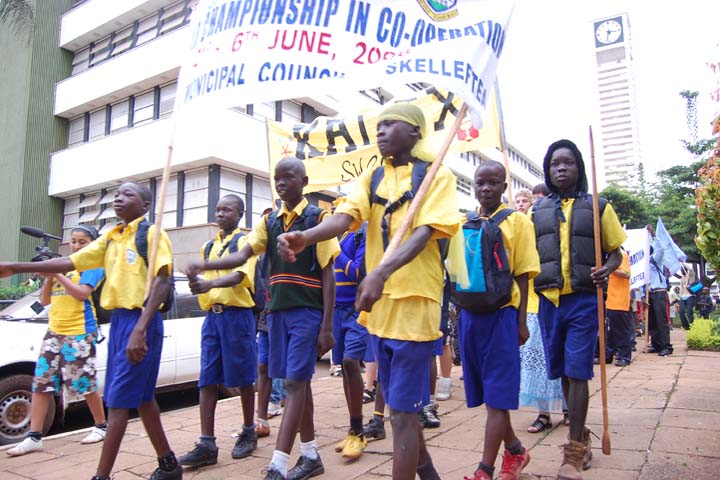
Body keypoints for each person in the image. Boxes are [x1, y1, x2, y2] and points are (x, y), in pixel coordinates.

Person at [277, 103, 460, 480]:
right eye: (378, 125)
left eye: (390, 124)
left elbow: (425, 231)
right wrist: (306, 237)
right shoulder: (372, 177)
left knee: (404, 415)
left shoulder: (436, 176)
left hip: (414, 303)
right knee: (398, 406)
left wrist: (379, 272)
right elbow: (346, 217)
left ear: (414, 132)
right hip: (379, 309)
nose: (380, 131)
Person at [0, 182, 180, 480]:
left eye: (129, 194)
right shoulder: (111, 237)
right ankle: (169, 465)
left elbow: (163, 281)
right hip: (121, 321)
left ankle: (101, 475)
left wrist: (141, 329)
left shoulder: (152, 233)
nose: (120, 198)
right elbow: (72, 261)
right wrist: (15, 267)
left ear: (146, 205)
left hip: (141, 321)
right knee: (144, 400)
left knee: (119, 401)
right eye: (117, 194)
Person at [185, 157, 338, 480]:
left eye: (289, 177)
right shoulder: (268, 222)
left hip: (307, 312)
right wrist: (206, 267)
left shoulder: (318, 219)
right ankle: (310, 455)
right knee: (299, 385)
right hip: (278, 313)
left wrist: (327, 326)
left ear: (304, 181)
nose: (282, 183)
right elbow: (243, 255)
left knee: (295, 383)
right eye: (277, 178)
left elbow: (328, 274)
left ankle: (278, 464)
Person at [532, 140, 625, 480]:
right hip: (549, 301)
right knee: (562, 372)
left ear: (579, 167)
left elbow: (615, 251)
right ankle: (581, 432)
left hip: (584, 300)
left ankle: (573, 449)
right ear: (548, 169)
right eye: (555, 163)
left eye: (568, 163)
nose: (561, 169)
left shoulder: (598, 206)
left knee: (578, 370)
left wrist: (608, 268)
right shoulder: (536, 211)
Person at [457, 160, 540, 480]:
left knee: (496, 398)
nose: (486, 188)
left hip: (503, 315)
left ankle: (484, 469)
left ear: (504, 187)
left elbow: (522, 275)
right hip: (470, 317)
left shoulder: (518, 222)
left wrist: (521, 322)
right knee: (489, 395)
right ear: (474, 186)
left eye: (493, 183)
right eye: (481, 183)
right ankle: (517, 450)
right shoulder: (464, 223)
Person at [7, 225, 107, 457]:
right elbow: (43, 301)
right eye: (73, 241)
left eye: (82, 242)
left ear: (92, 243)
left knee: (83, 383)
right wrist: (49, 277)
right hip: (54, 331)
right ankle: (34, 437)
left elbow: (82, 294)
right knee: (41, 382)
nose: (76, 245)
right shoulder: (62, 266)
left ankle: (101, 426)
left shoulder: (92, 265)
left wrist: (57, 272)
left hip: (80, 331)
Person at [178, 194, 259, 468]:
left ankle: (249, 430)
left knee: (243, 377)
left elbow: (239, 276)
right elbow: (204, 280)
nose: (221, 213)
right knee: (207, 378)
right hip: (212, 318)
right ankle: (206, 443)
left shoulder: (245, 242)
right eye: (218, 209)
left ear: (240, 215)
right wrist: (195, 280)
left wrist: (210, 285)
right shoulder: (208, 246)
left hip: (237, 316)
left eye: (228, 210)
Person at [517, 184, 565, 434]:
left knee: (561, 357)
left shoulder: (560, 222)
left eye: (540, 199)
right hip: (532, 304)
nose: (536, 205)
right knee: (535, 362)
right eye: (532, 200)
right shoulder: (524, 224)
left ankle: (568, 408)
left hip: (558, 300)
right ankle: (543, 412)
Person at [331, 216, 369, 459]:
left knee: (350, 362)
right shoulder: (336, 237)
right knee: (344, 368)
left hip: (357, 309)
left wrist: (335, 252)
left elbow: (357, 271)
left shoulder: (361, 234)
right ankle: (354, 430)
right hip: (336, 309)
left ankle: (359, 430)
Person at [605, 248, 634, 366]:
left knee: (621, 330)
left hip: (619, 300)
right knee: (610, 331)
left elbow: (627, 274)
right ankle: (608, 355)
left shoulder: (621, 255)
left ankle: (624, 356)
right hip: (610, 299)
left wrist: (609, 269)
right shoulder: (610, 256)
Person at [677, 264, 697, 330]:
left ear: (685, 270)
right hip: (683, 297)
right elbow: (681, 288)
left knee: (689, 312)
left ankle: (692, 325)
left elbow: (691, 270)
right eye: (681, 270)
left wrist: (682, 263)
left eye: (682, 270)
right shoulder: (682, 278)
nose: (681, 271)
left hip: (690, 296)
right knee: (681, 312)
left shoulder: (690, 276)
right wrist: (680, 298)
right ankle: (686, 326)